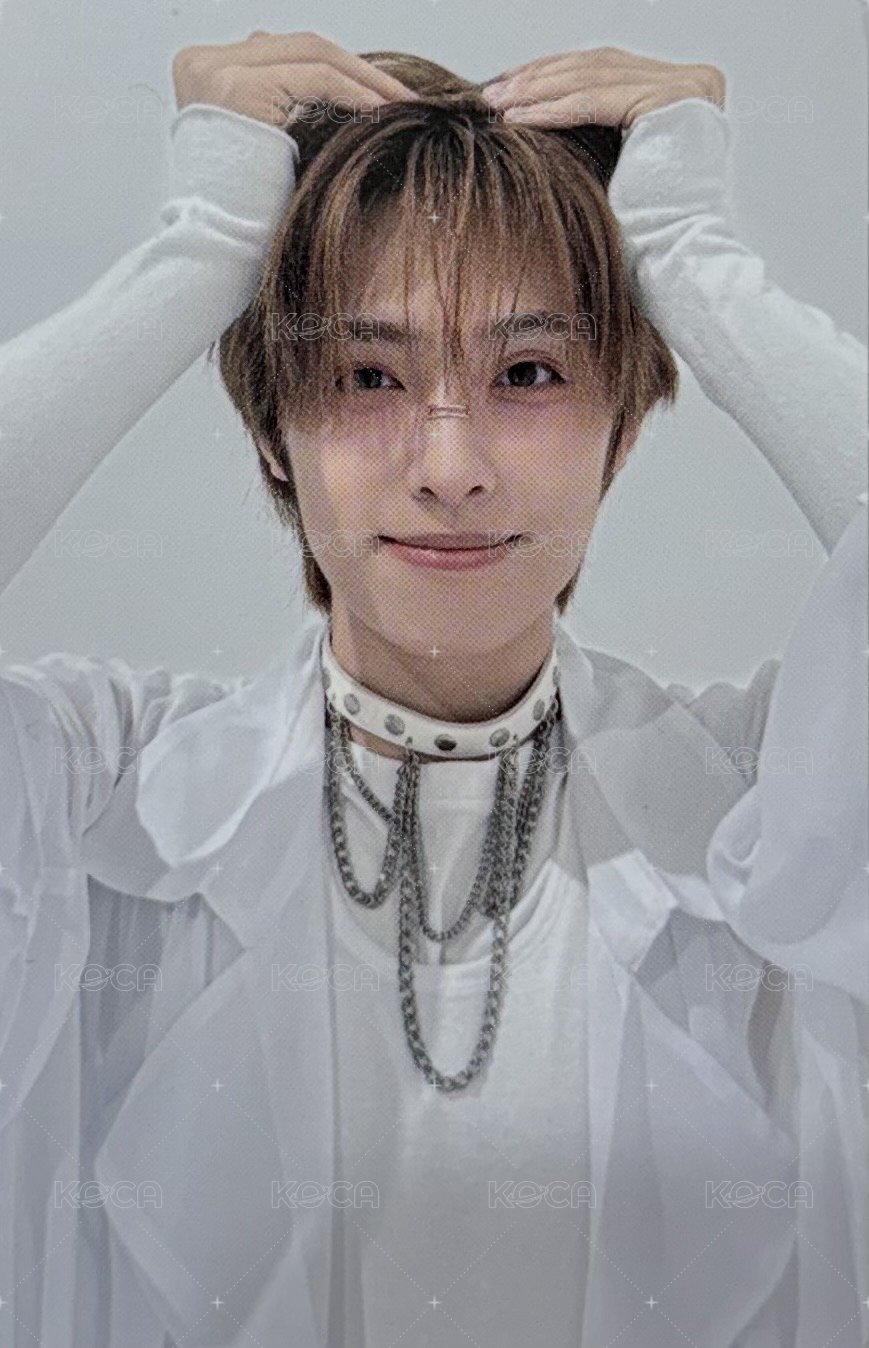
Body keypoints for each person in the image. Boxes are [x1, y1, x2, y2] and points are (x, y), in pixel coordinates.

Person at [0, 31, 865, 1348]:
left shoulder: (770, 816)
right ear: (272, 428)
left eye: (527, 374)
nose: (449, 466)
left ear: (621, 428)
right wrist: (201, 246)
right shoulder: (93, 800)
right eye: (367, 375)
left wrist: (693, 256)